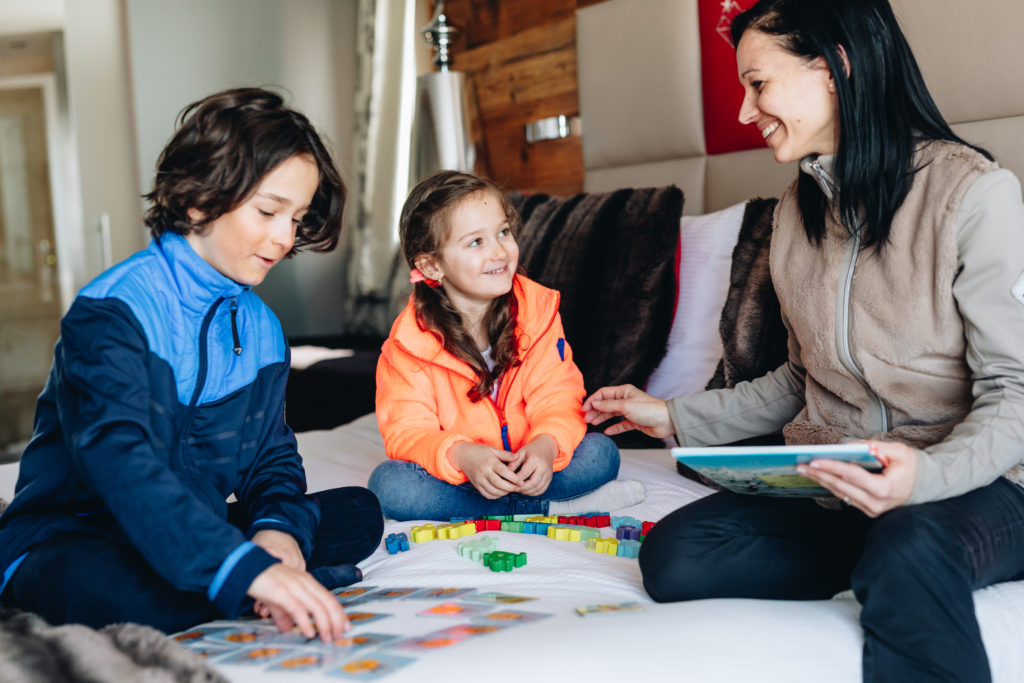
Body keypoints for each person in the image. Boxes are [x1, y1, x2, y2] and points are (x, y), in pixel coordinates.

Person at [583, 1, 1024, 680]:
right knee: (679, 554)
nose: (742, 111)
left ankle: (905, 554)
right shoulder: (796, 212)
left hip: (977, 484)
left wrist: (925, 478)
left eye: (757, 84)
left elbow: (1015, 391)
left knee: (908, 541)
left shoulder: (974, 196)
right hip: (846, 488)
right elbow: (801, 377)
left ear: (835, 67)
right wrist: (671, 415)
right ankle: (885, 552)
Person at [0, 88, 383, 642]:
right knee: (110, 587)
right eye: (269, 211)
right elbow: (120, 461)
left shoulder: (264, 331)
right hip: (76, 535)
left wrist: (276, 531)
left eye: (296, 218)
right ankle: (246, 586)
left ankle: (238, 580)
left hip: (185, 528)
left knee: (358, 513)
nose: (284, 237)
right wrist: (249, 569)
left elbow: (272, 457)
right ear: (201, 200)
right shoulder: (113, 311)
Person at [369, 170, 643, 521]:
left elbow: (558, 394)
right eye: (475, 242)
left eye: (503, 232)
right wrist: (462, 455)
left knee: (601, 453)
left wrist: (547, 445)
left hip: (534, 464)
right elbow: (407, 431)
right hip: (465, 475)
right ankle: (548, 508)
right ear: (432, 265)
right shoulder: (407, 346)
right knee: (389, 485)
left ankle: (505, 507)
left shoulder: (538, 313)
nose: (500, 251)